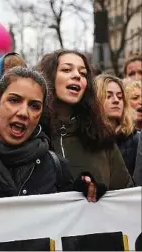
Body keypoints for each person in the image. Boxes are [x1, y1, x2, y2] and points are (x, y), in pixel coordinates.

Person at [0, 67, 102, 204]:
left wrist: (85, 192)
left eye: (34, 105)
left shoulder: (56, 168)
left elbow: (69, 229)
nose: (24, 113)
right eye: (14, 100)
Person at [38, 49, 133, 190]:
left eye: (83, 73)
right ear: (48, 78)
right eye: (66, 69)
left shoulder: (101, 137)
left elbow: (124, 193)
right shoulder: (34, 134)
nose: (77, 75)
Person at [95, 74, 141, 179]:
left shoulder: (137, 140)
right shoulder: (86, 140)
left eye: (120, 97)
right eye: (109, 96)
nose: (116, 100)